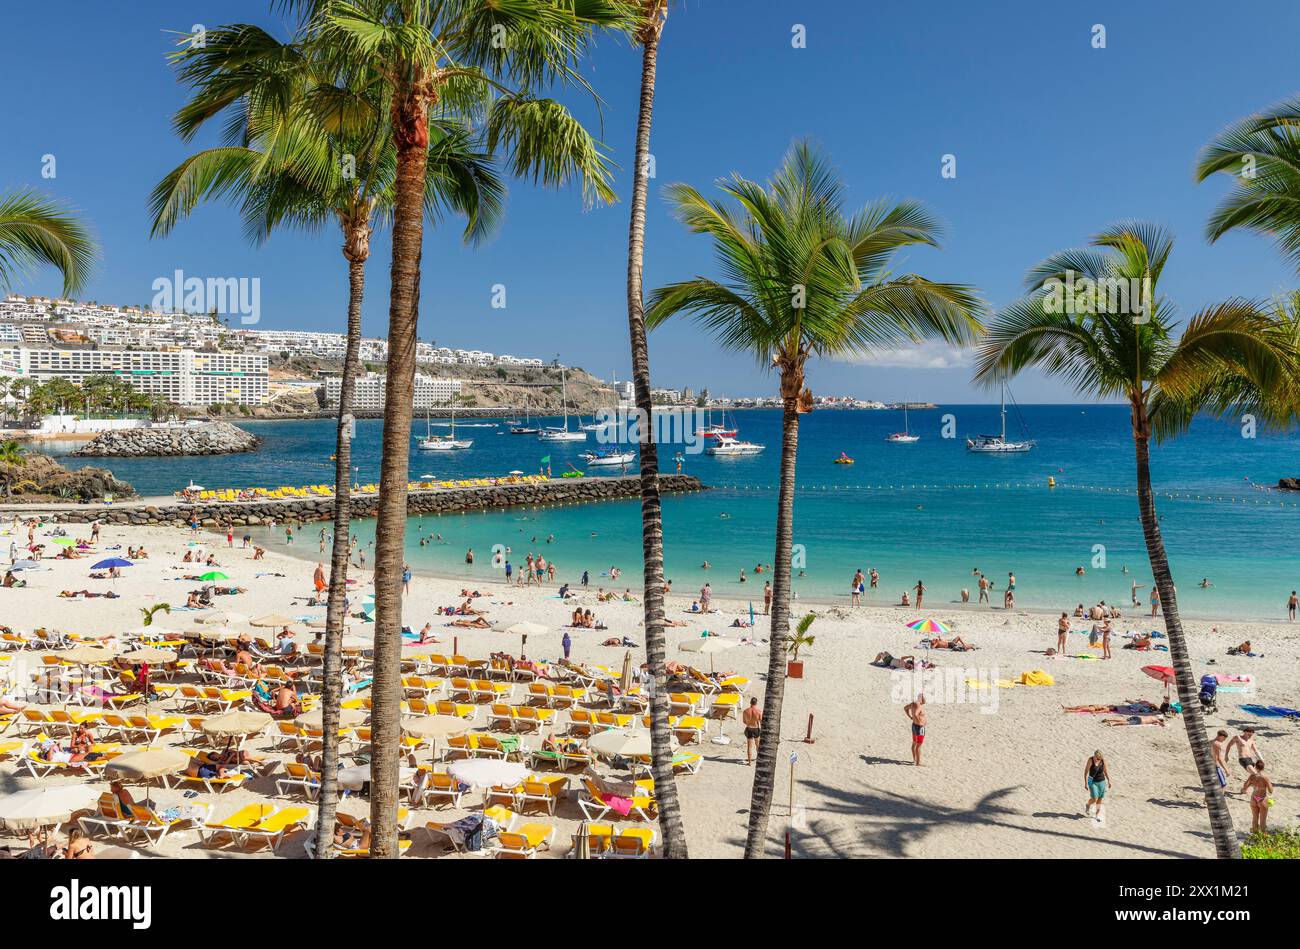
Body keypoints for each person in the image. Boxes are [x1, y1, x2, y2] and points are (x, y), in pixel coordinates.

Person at [1240, 760, 1274, 834]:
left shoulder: (1252, 776)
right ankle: (1262, 839)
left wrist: (1244, 790)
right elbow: (1271, 790)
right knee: (1263, 820)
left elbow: (1245, 786)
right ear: (1263, 767)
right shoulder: (1265, 777)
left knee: (1255, 818)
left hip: (1254, 798)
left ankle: (1255, 835)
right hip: (1262, 799)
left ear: (1255, 766)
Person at [1084, 750, 1111, 822]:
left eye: (1099, 758)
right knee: (1094, 798)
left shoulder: (1102, 761)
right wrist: (1085, 783)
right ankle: (1088, 805)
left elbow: (1105, 771)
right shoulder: (1090, 760)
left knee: (1100, 799)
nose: (1097, 759)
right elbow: (1086, 771)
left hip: (1102, 781)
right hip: (1092, 782)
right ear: (1094, 756)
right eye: (1096, 758)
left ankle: (1096, 815)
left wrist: (1109, 780)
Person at [903, 694, 927, 766]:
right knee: (919, 745)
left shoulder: (913, 704)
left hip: (914, 726)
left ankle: (915, 760)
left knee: (914, 743)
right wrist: (920, 722)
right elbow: (916, 714)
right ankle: (918, 763)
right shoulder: (919, 706)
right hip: (919, 727)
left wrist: (911, 717)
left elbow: (905, 708)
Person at [742, 697, 763, 765]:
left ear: (750, 703)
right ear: (756, 703)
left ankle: (749, 762)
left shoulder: (745, 711)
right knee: (757, 745)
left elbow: (744, 721)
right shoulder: (759, 711)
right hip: (756, 728)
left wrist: (749, 722)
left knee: (749, 746)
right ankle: (759, 759)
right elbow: (761, 722)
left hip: (749, 728)